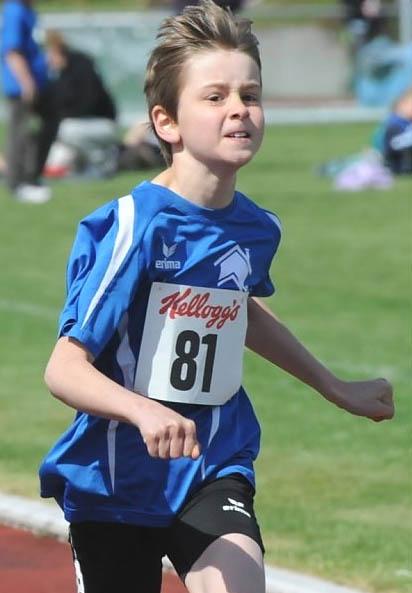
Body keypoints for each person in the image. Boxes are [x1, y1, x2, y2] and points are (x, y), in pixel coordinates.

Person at [38, 2, 394, 592]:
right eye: (215, 97)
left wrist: (333, 386)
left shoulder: (256, 228)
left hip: (212, 461)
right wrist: (144, 411)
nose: (239, 109)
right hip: (117, 478)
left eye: (250, 95)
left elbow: (235, 308)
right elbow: (64, 368)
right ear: (166, 122)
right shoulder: (133, 227)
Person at [0, 0, 57, 203]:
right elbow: (12, 51)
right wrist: (25, 81)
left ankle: (31, 175)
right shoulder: (14, 10)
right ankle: (17, 182)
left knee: (49, 123)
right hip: (22, 85)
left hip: (38, 82)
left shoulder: (27, 9)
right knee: (20, 133)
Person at [44, 30, 119, 178]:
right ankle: (84, 165)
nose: (48, 61)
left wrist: (60, 116)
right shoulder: (60, 75)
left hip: (102, 124)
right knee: (55, 158)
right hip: (81, 128)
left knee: (63, 129)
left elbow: (88, 103)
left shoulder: (82, 66)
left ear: (57, 51)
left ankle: (102, 161)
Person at [382, 87, 412, 175]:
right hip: (396, 163)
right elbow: (394, 144)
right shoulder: (394, 124)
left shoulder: (408, 123)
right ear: (401, 104)